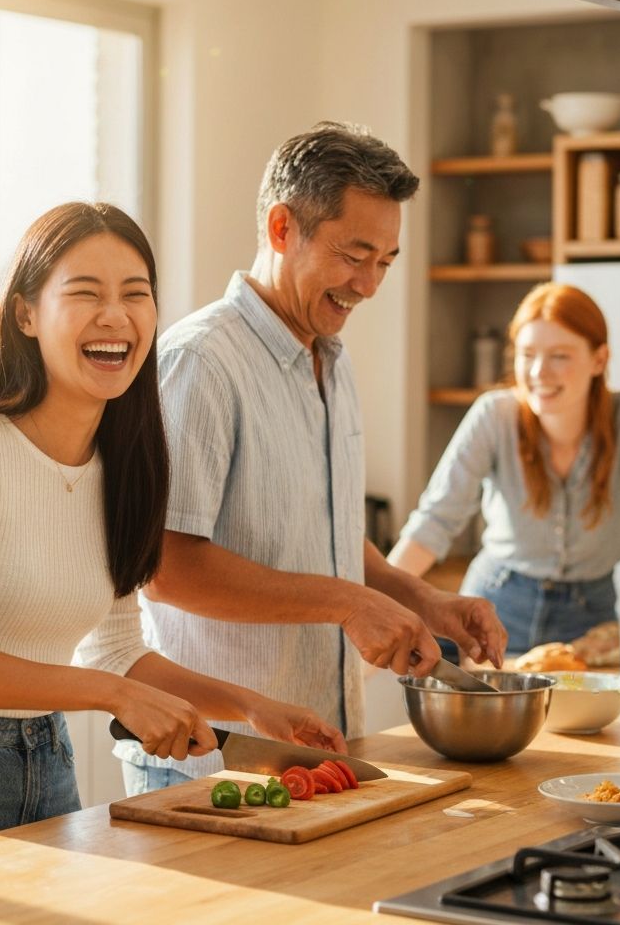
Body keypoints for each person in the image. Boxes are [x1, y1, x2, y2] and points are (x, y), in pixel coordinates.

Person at [0, 202, 345, 870]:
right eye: (85, 294)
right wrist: (113, 695)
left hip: (45, 762)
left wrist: (253, 708)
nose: (115, 316)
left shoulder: (125, 465)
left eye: (136, 295)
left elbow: (116, 651)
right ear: (26, 315)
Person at [119, 122, 507, 795]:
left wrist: (420, 598)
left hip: (316, 751)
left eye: (385, 260)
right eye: (355, 255)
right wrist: (346, 604)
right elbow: (166, 567)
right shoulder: (201, 363)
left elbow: (319, 530)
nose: (370, 284)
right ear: (281, 228)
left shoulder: (330, 356)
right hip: (213, 760)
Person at [388, 281, 620, 656]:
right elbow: (433, 525)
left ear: (599, 359)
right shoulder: (493, 416)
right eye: (527, 353)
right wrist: (375, 606)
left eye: (559, 356)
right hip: (492, 614)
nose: (538, 372)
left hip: (589, 625)